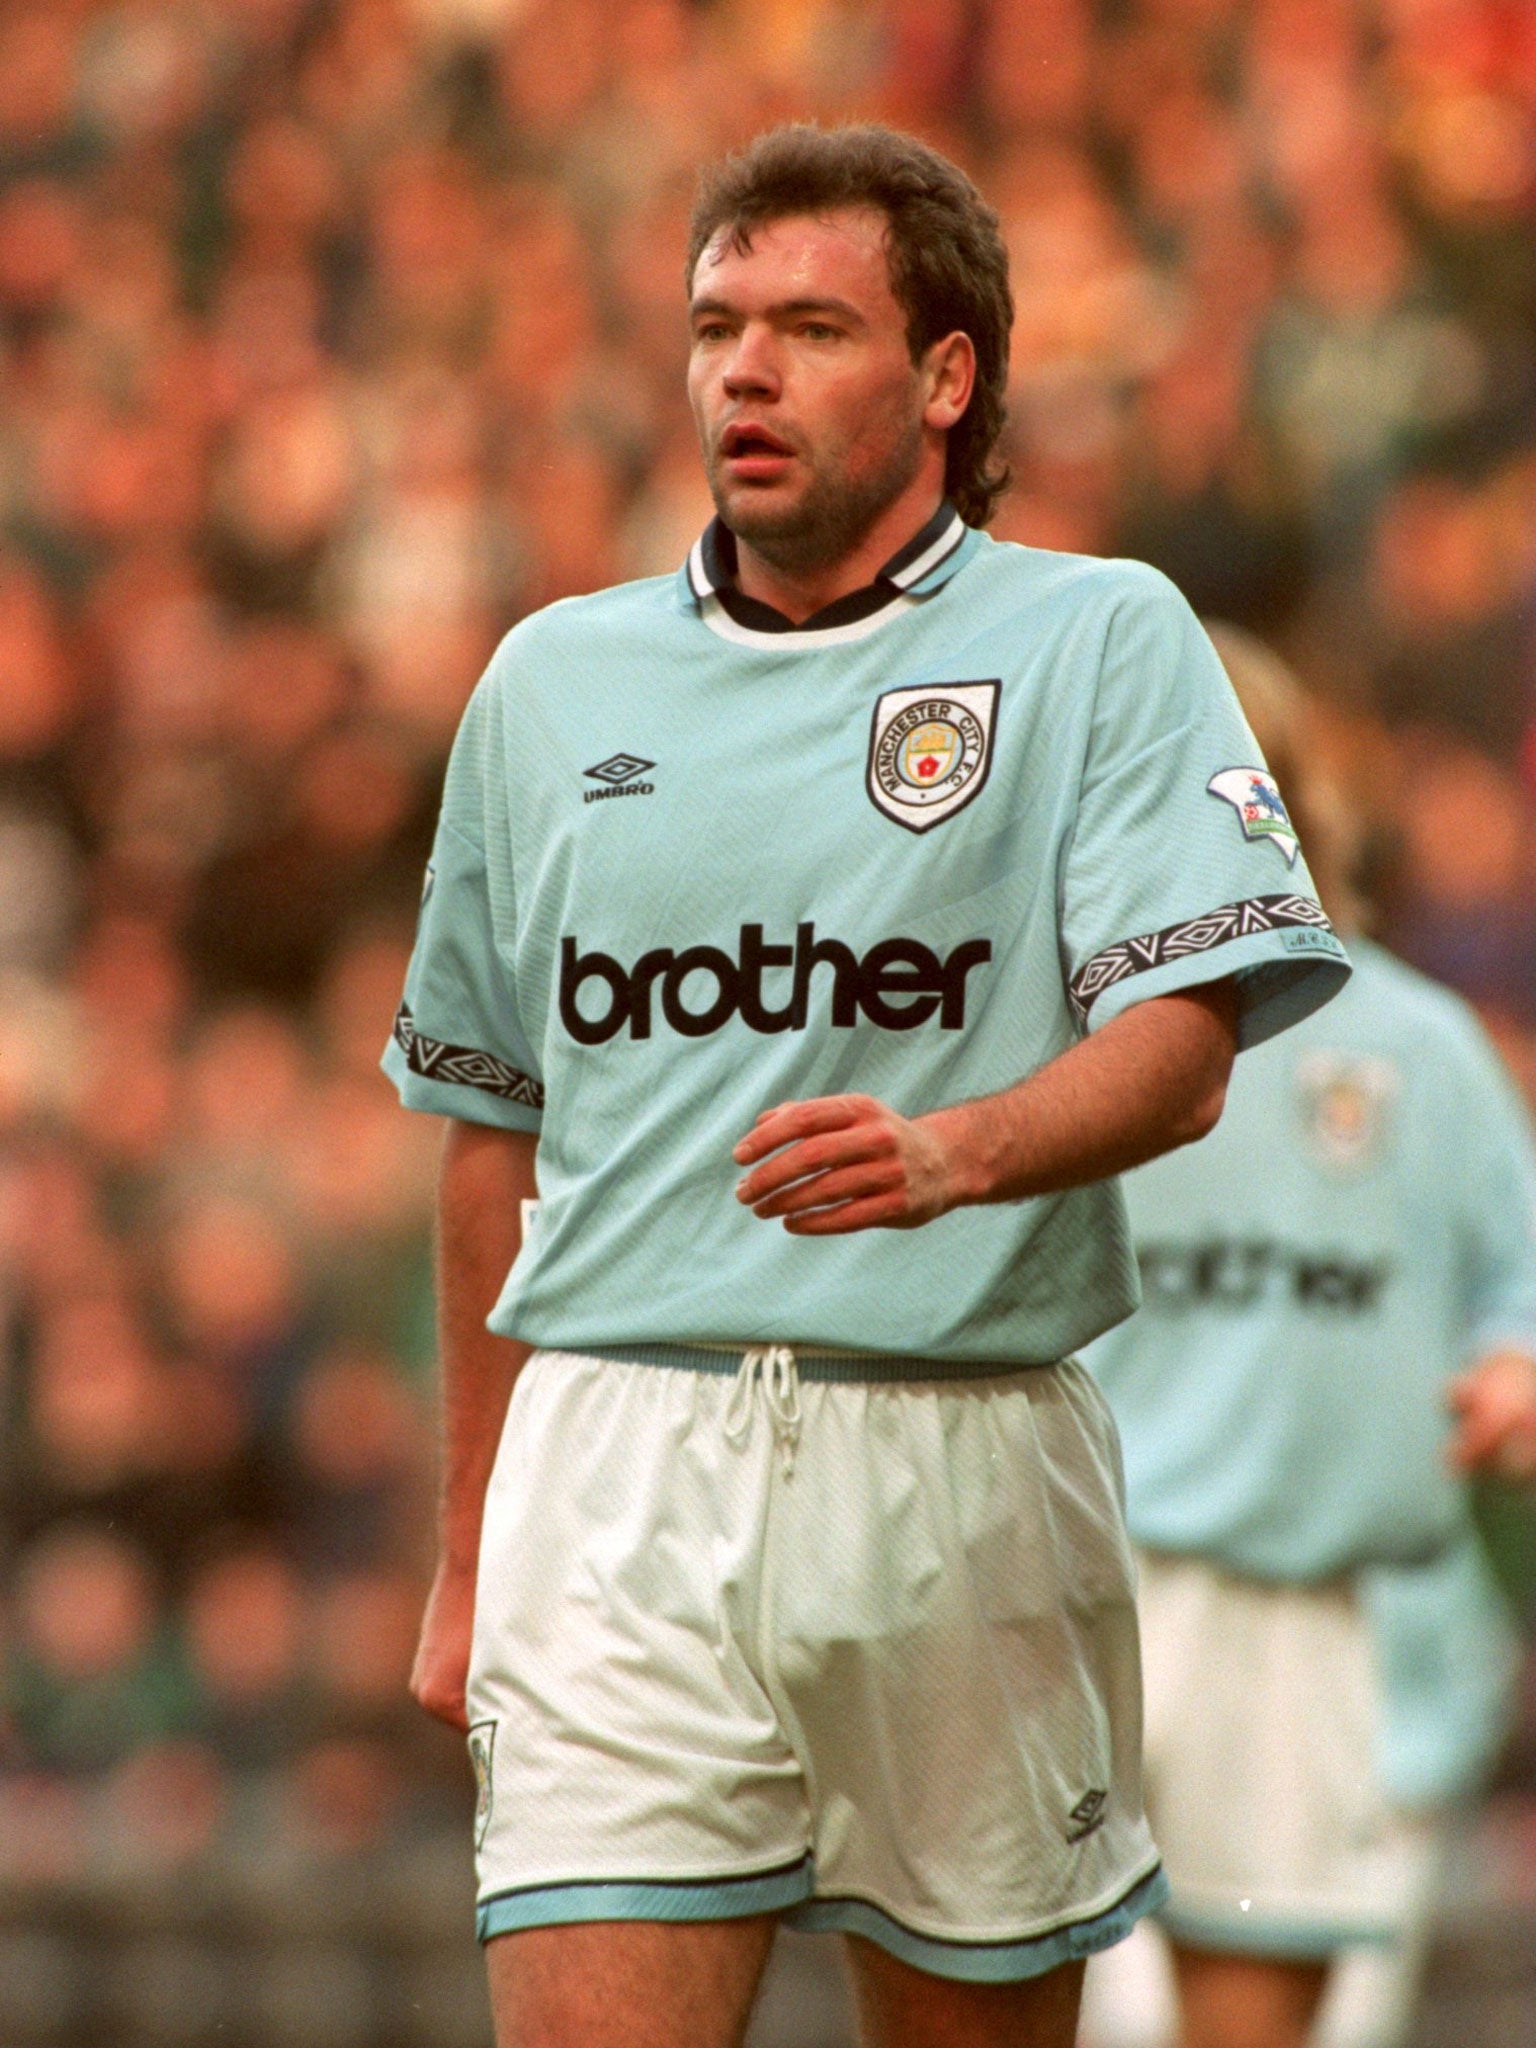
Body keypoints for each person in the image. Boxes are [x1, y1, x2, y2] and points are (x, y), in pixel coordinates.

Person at [381, 126, 1349, 2048]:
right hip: (618, 1471)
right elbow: (489, 1124)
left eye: (811, 327)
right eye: (715, 325)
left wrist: (953, 1153)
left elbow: (1186, 1051)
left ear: (945, 375)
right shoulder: (550, 684)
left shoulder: (1102, 639)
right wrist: (467, 1547)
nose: (743, 370)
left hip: (963, 1457)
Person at [1081, 625, 1536, 2048]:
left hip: (1305, 1602)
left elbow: (1517, 1282)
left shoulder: (1419, 1052)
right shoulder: (1051, 1041)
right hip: (1067, 1585)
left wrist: (1516, 1365)